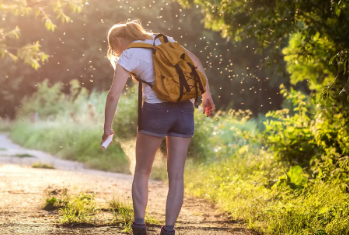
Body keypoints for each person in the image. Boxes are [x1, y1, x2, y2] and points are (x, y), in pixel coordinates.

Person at [101, 20, 215, 235]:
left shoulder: (129, 53)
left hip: (156, 111)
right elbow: (196, 62)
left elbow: (113, 95)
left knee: (142, 171)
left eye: (112, 47)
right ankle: (169, 229)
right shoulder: (165, 40)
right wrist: (206, 94)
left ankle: (140, 226)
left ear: (117, 40)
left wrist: (107, 128)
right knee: (177, 175)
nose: (114, 52)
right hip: (184, 111)